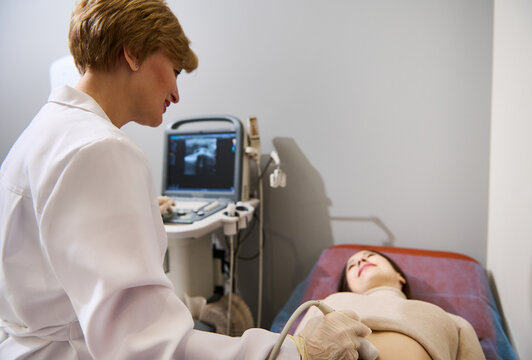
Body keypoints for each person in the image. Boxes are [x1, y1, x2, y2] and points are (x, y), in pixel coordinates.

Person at [0, 0, 368, 359]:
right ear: (133, 51)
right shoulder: (101, 149)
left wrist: (188, 303)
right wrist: (296, 351)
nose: (176, 94)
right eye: (175, 71)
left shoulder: (43, 132)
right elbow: (146, 346)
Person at [294, 250, 487, 360]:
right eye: (351, 266)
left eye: (369, 256)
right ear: (349, 287)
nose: (360, 260)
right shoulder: (329, 302)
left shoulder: (451, 320)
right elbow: (290, 351)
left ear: (400, 276)